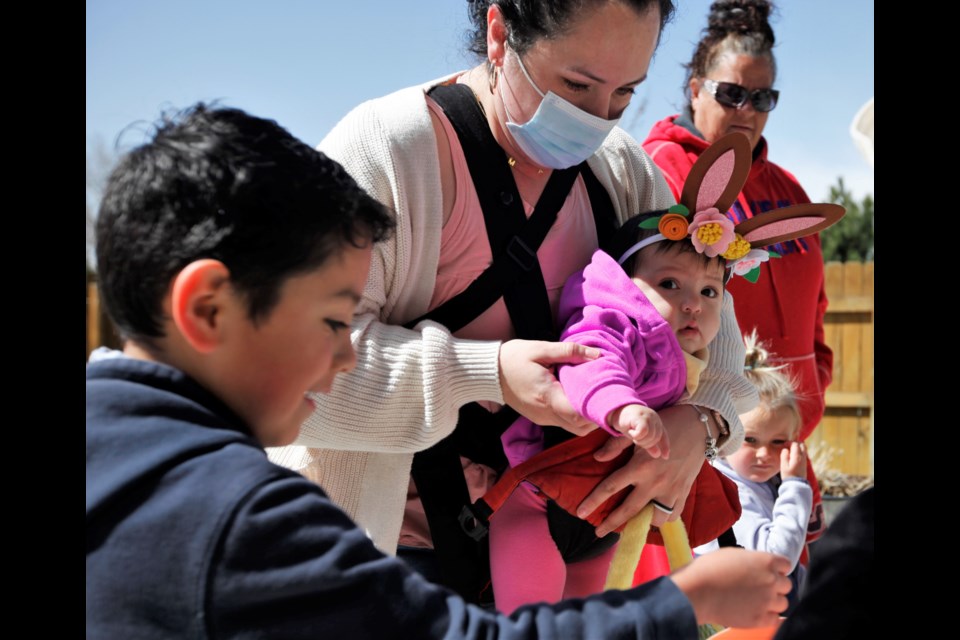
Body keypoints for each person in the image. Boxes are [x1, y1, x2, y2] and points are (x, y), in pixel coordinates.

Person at [86, 102, 794, 638]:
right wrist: (687, 603)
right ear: (207, 309)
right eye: (338, 322)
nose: (346, 356)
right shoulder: (252, 520)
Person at [268, 0, 758, 605]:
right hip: (383, 566)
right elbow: (287, 372)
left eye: (625, 94)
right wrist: (490, 374)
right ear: (500, 35)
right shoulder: (389, 151)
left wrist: (697, 425)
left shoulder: (622, 170)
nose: (598, 118)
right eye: (576, 84)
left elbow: (726, 363)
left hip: (566, 554)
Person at [641, 0, 831, 556]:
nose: (747, 109)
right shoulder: (659, 171)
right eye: (732, 94)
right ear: (696, 89)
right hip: (696, 449)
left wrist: (800, 409)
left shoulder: (791, 193)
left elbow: (816, 313)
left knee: (790, 600)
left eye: (763, 98)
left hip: (782, 445)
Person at [490, 206, 736, 613]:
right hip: (537, 505)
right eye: (671, 283)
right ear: (627, 287)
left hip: (600, 522)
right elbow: (591, 364)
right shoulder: (615, 325)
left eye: (709, 292)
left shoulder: (689, 355)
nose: (693, 303)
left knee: (587, 624)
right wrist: (621, 407)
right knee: (534, 625)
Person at [704, 330, 812, 615]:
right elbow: (776, 560)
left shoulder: (758, 482)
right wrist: (795, 487)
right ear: (724, 430)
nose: (765, 454)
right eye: (750, 440)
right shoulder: (729, 490)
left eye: (779, 442)